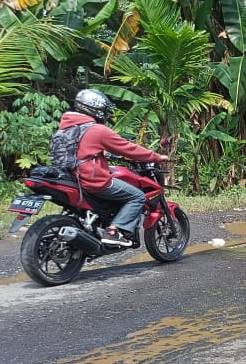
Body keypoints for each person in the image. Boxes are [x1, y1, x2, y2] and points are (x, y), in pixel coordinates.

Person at [53, 88, 168, 247]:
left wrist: (103, 156)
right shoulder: (97, 130)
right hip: (93, 180)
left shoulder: (67, 127)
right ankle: (114, 231)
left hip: (71, 177)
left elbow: (80, 153)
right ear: (95, 108)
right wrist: (156, 157)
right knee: (137, 197)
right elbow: (128, 149)